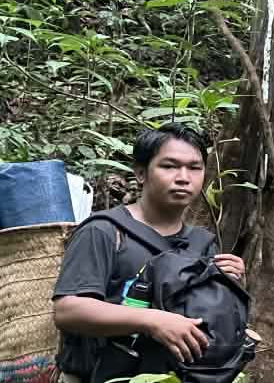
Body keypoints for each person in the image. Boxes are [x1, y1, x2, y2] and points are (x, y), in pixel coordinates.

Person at [52, 123, 246, 383]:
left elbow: (206, 322)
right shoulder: (104, 231)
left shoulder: (201, 244)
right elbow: (68, 310)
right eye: (169, 166)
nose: (183, 177)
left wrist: (230, 290)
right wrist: (151, 320)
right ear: (141, 173)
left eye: (194, 167)